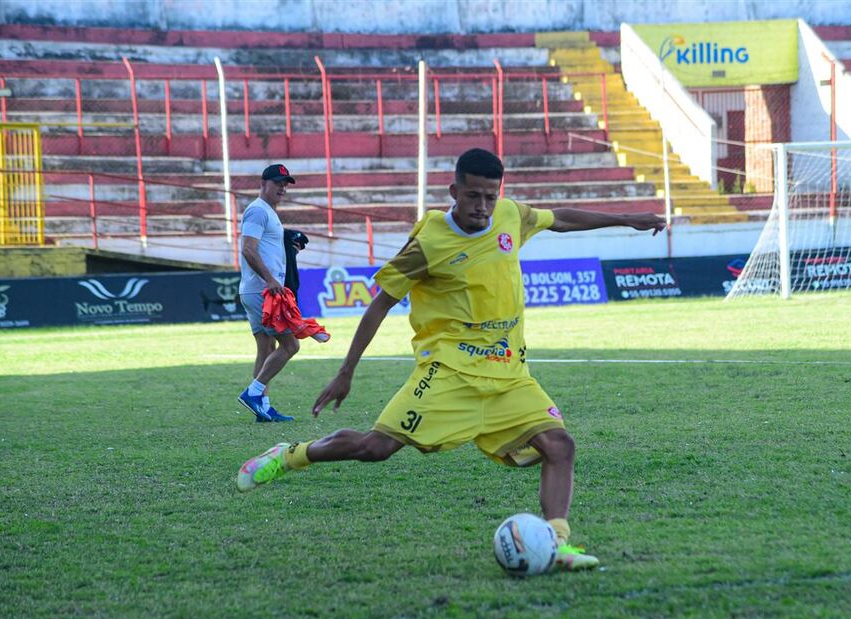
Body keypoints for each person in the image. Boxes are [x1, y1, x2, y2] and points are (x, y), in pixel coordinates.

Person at [235, 148, 666, 570]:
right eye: (473, 195)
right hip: (448, 373)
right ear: (454, 190)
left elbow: (563, 219)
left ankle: (556, 543)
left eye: (490, 197)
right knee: (376, 447)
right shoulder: (429, 243)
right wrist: (346, 371)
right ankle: (289, 455)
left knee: (559, 444)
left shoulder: (511, 216)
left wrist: (627, 218)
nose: (482, 206)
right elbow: (380, 303)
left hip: (508, 375)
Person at [237, 163, 328, 424]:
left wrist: (290, 250)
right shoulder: (257, 211)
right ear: (263, 183)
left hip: (255, 288)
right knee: (291, 344)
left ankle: (262, 408)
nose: (283, 188)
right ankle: (253, 393)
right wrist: (270, 279)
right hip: (262, 290)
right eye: (278, 183)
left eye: (285, 184)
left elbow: (261, 249)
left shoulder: (266, 212)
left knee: (266, 348)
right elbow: (248, 249)